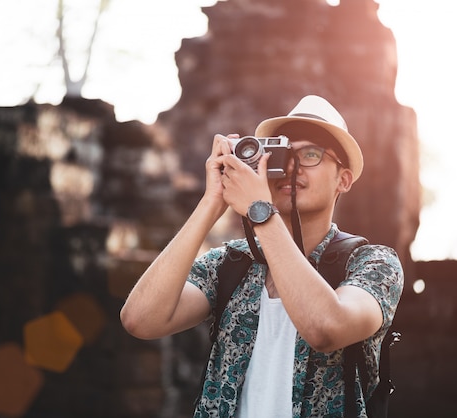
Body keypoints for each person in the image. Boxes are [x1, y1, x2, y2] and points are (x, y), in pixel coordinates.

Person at [120, 95, 404, 418]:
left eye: (311, 154)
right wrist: (212, 202)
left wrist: (260, 213)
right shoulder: (231, 264)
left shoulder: (373, 264)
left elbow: (326, 328)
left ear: (344, 179)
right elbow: (139, 319)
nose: (293, 166)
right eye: (283, 152)